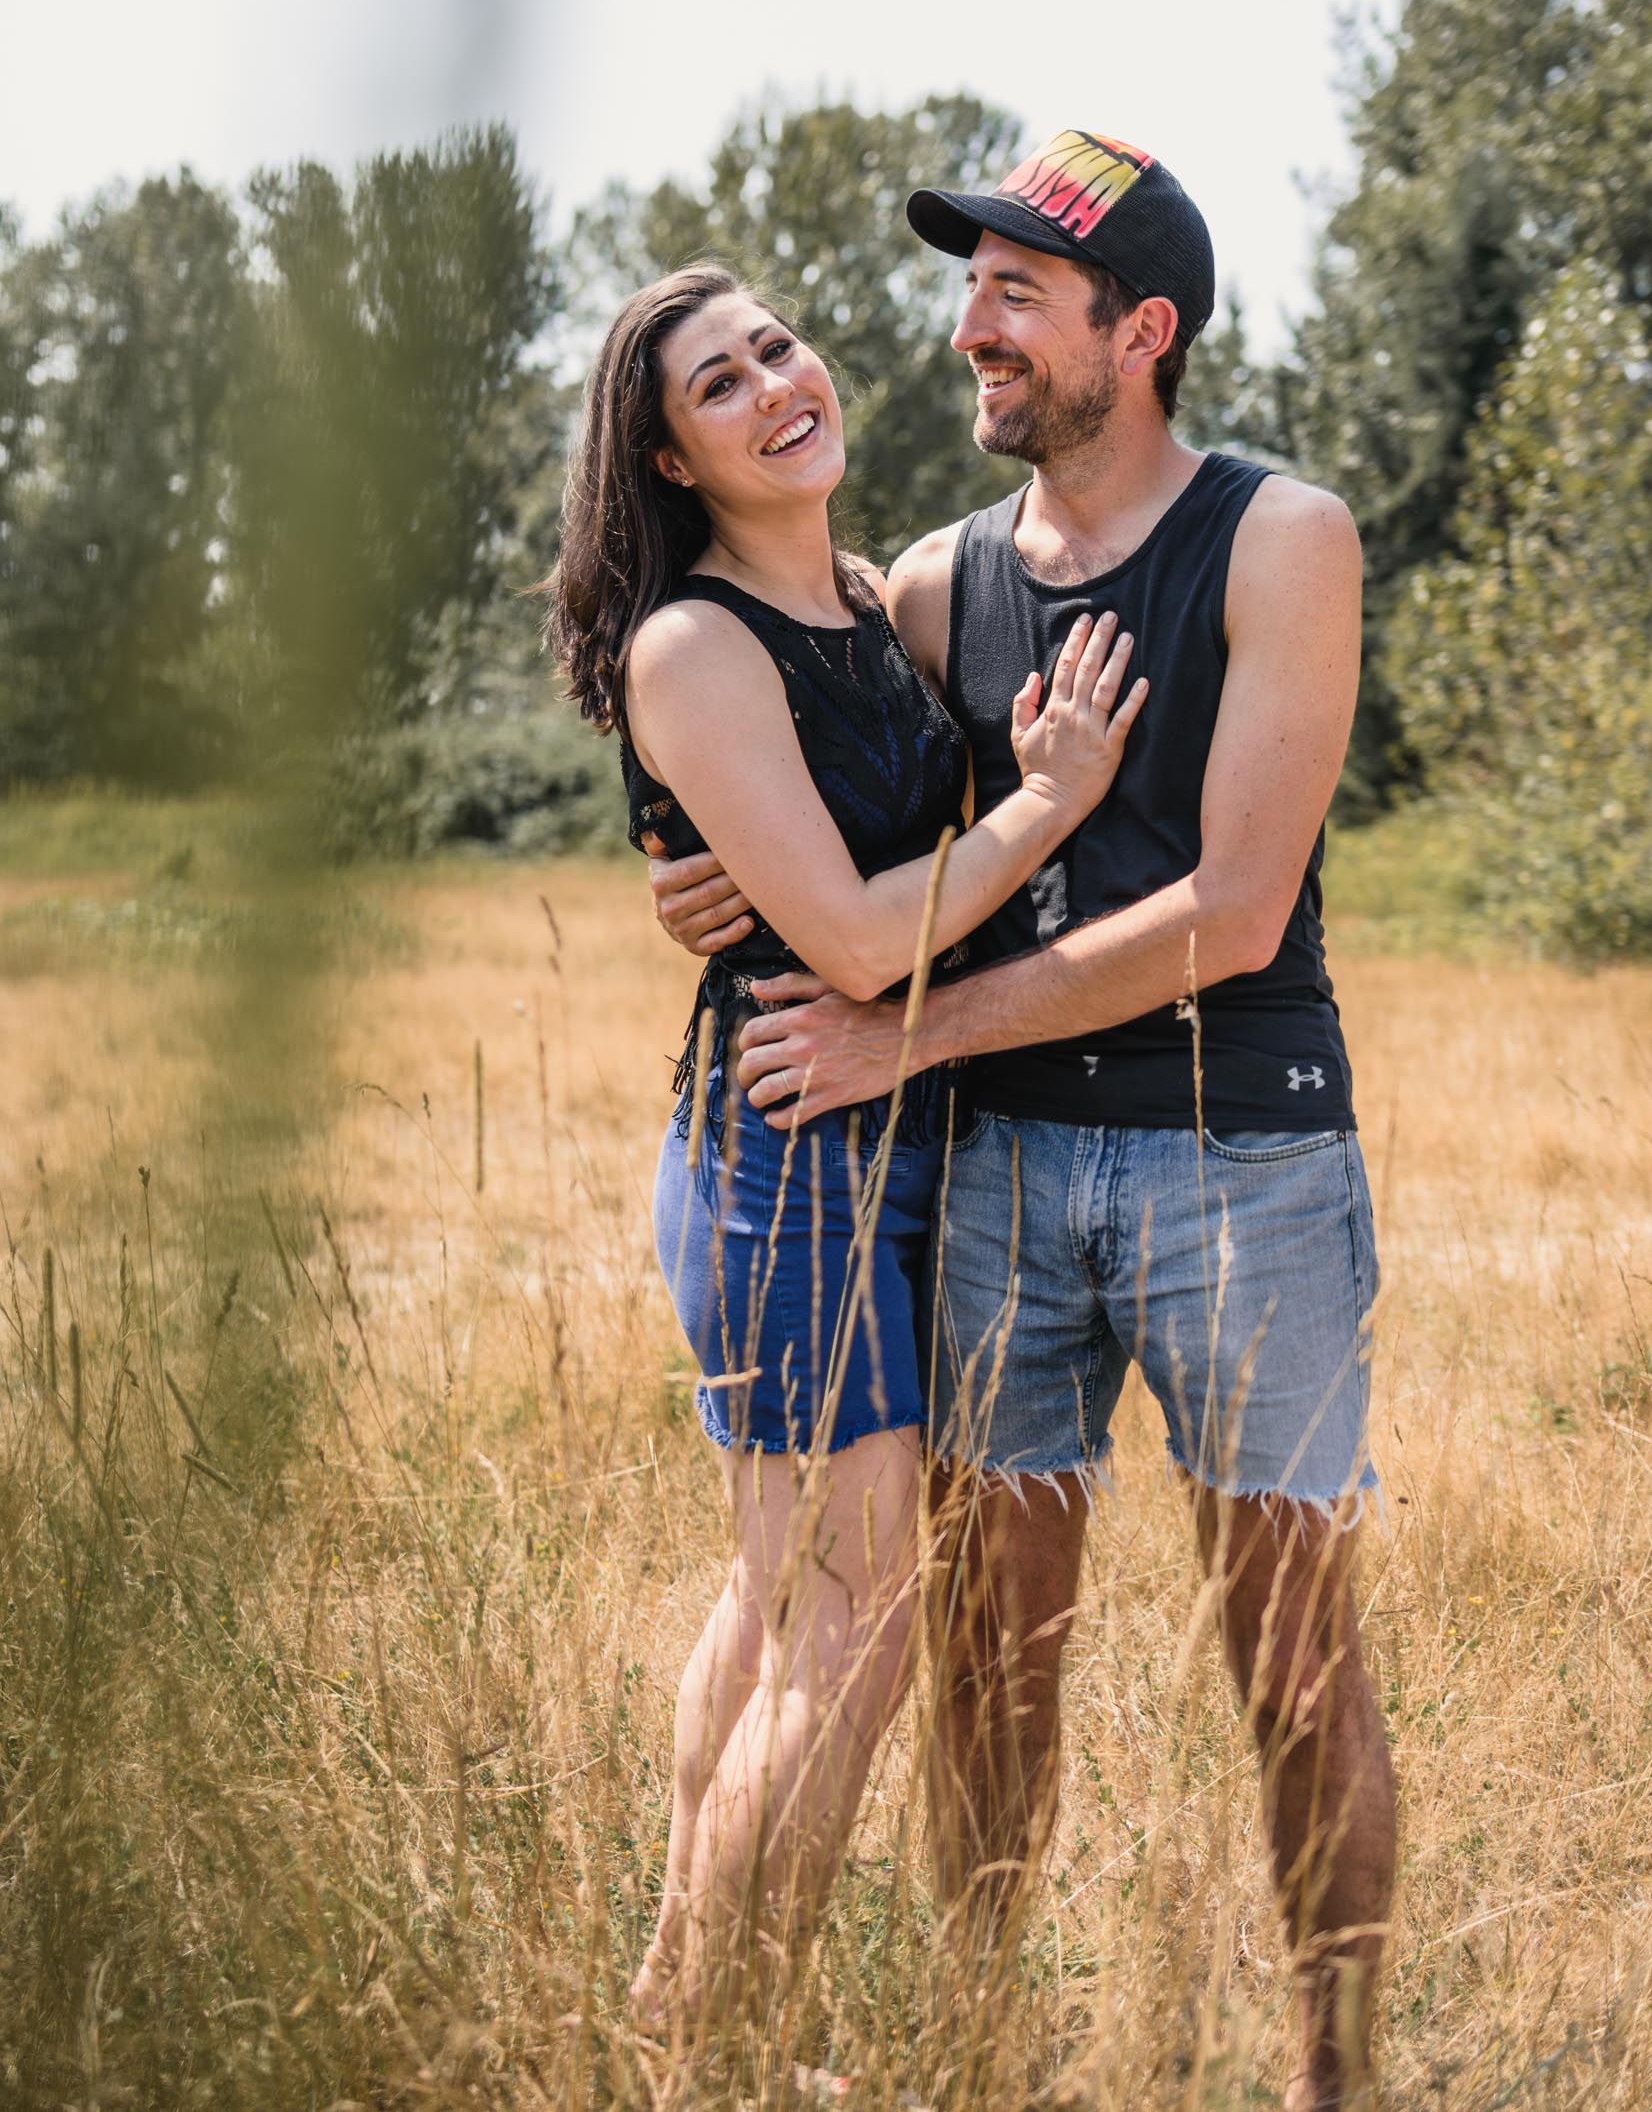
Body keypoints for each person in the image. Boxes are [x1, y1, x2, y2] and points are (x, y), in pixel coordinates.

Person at [647, 136, 1396, 2111]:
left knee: (1293, 1663)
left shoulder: (1275, 535)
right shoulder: (933, 583)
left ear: (1136, 333)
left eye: (1014, 294)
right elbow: (797, 763)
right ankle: (967, 2056)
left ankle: (1339, 2075)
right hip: (992, 1181)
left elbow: (1236, 910)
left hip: (1243, 1161)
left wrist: (910, 1032)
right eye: (967, 285)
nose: (965, 325)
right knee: (982, 1665)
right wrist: (692, 870)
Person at [542, 261, 1147, 2025]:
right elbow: (856, 940)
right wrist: (1048, 800)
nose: (773, 388)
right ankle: (731, 2039)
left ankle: (671, 2006)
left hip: (896, 1142)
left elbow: (841, 874)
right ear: (665, 462)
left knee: (780, 1594)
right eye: (716, 389)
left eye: (775, 351)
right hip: (785, 1142)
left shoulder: (873, 604)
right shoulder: (692, 642)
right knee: (858, 1617)